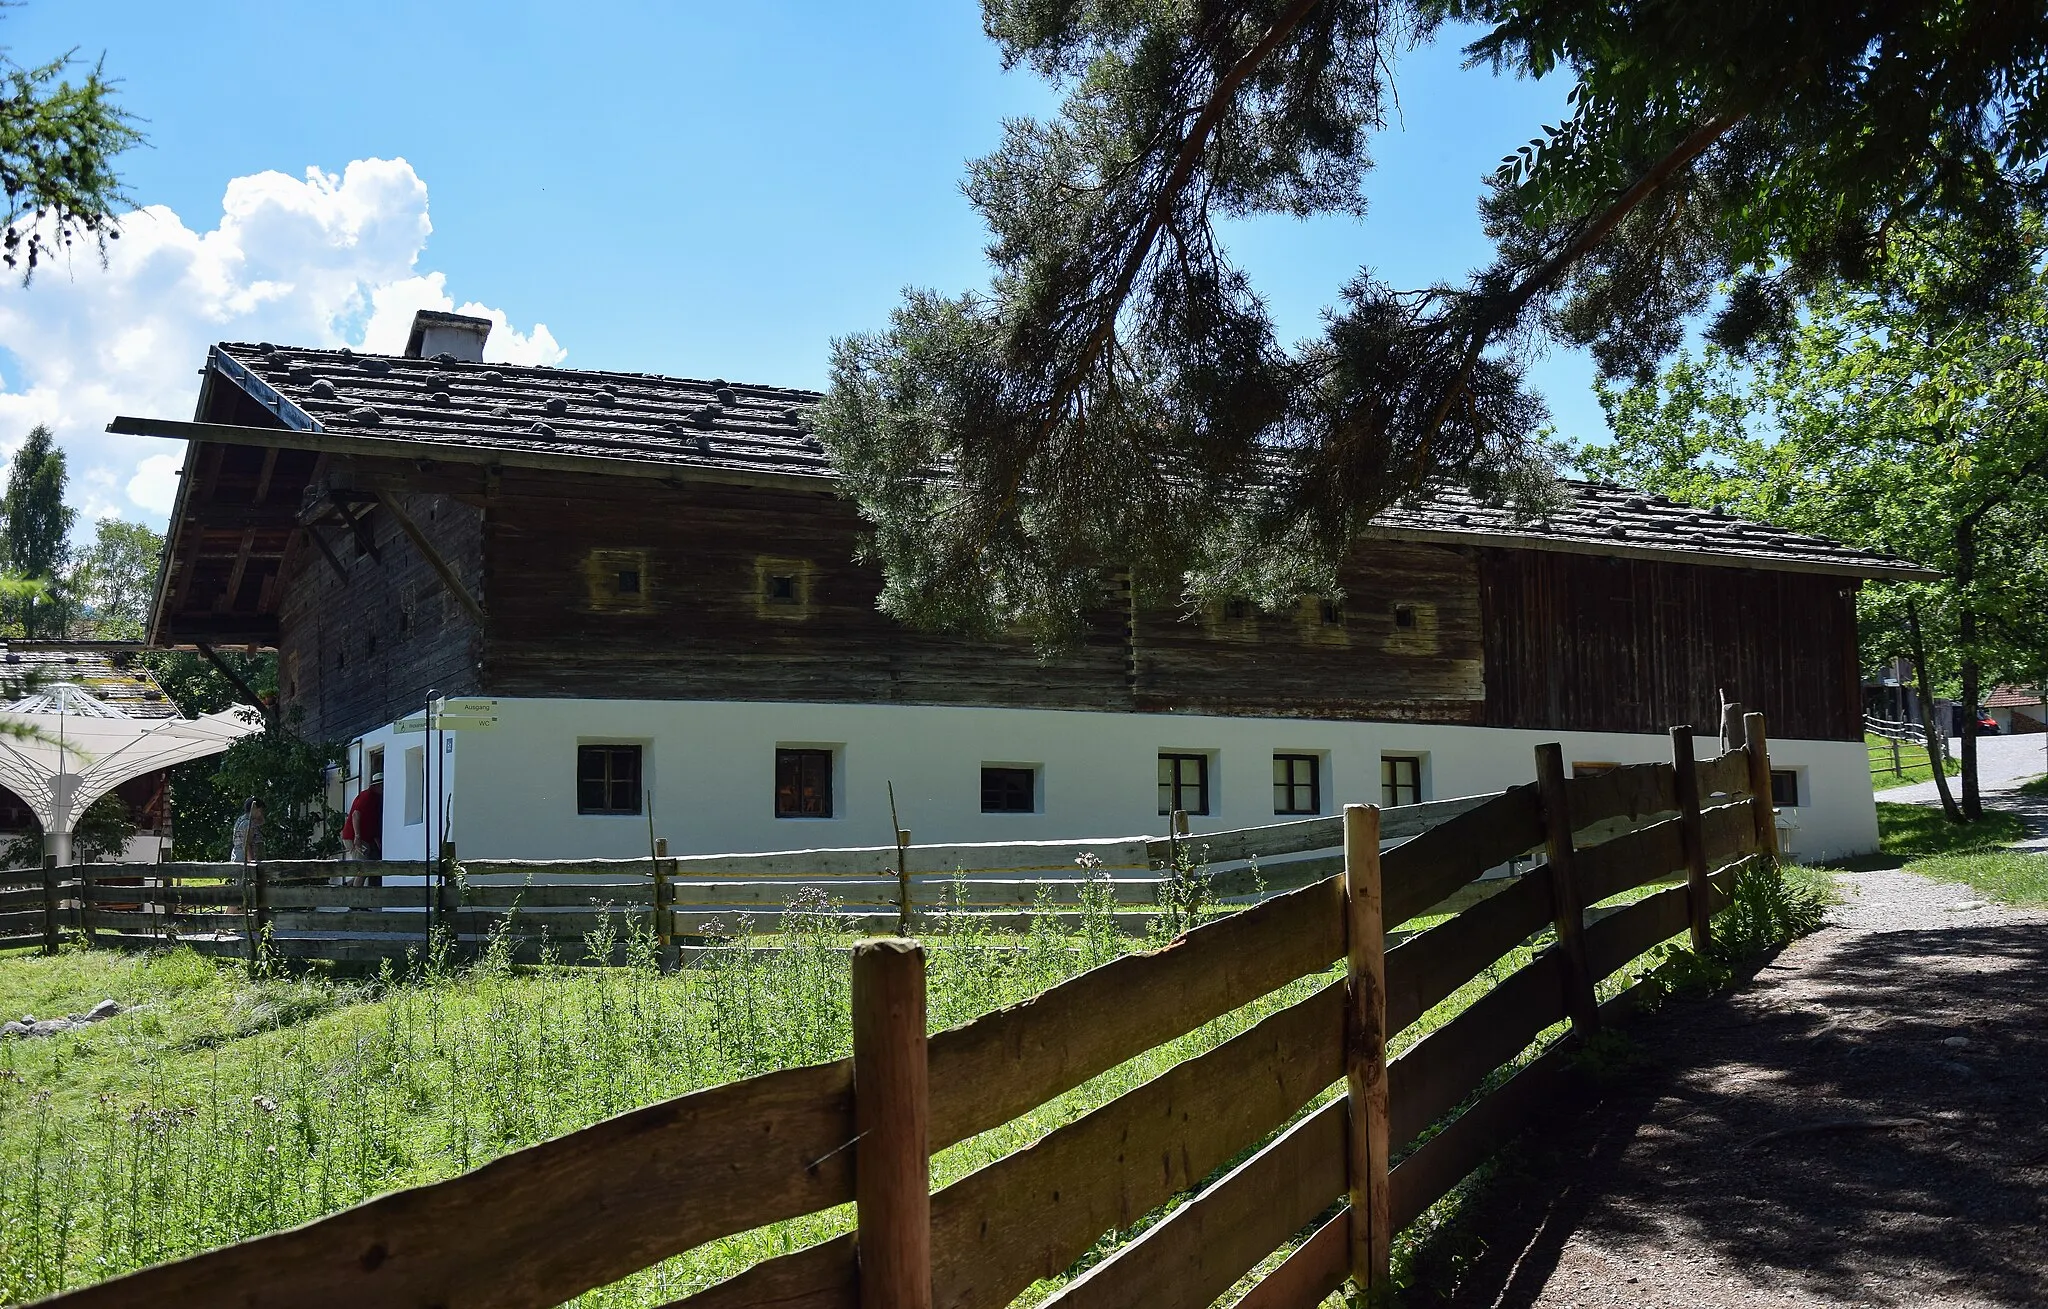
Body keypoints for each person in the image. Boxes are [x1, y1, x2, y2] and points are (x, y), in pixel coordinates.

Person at [342, 770, 384, 886]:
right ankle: (356, 901)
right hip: (356, 838)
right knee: (363, 869)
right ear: (378, 786)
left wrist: (377, 841)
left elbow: (371, 823)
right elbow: (356, 814)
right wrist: (357, 837)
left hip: (364, 839)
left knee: (368, 866)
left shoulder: (375, 799)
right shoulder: (367, 796)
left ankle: (348, 885)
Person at [230, 798, 266, 864]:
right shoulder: (247, 824)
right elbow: (246, 845)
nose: (261, 813)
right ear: (254, 808)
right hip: (244, 861)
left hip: (239, 859)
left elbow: (262, 822)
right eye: (260, 810)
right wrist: (251, 864)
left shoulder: (243, 819)